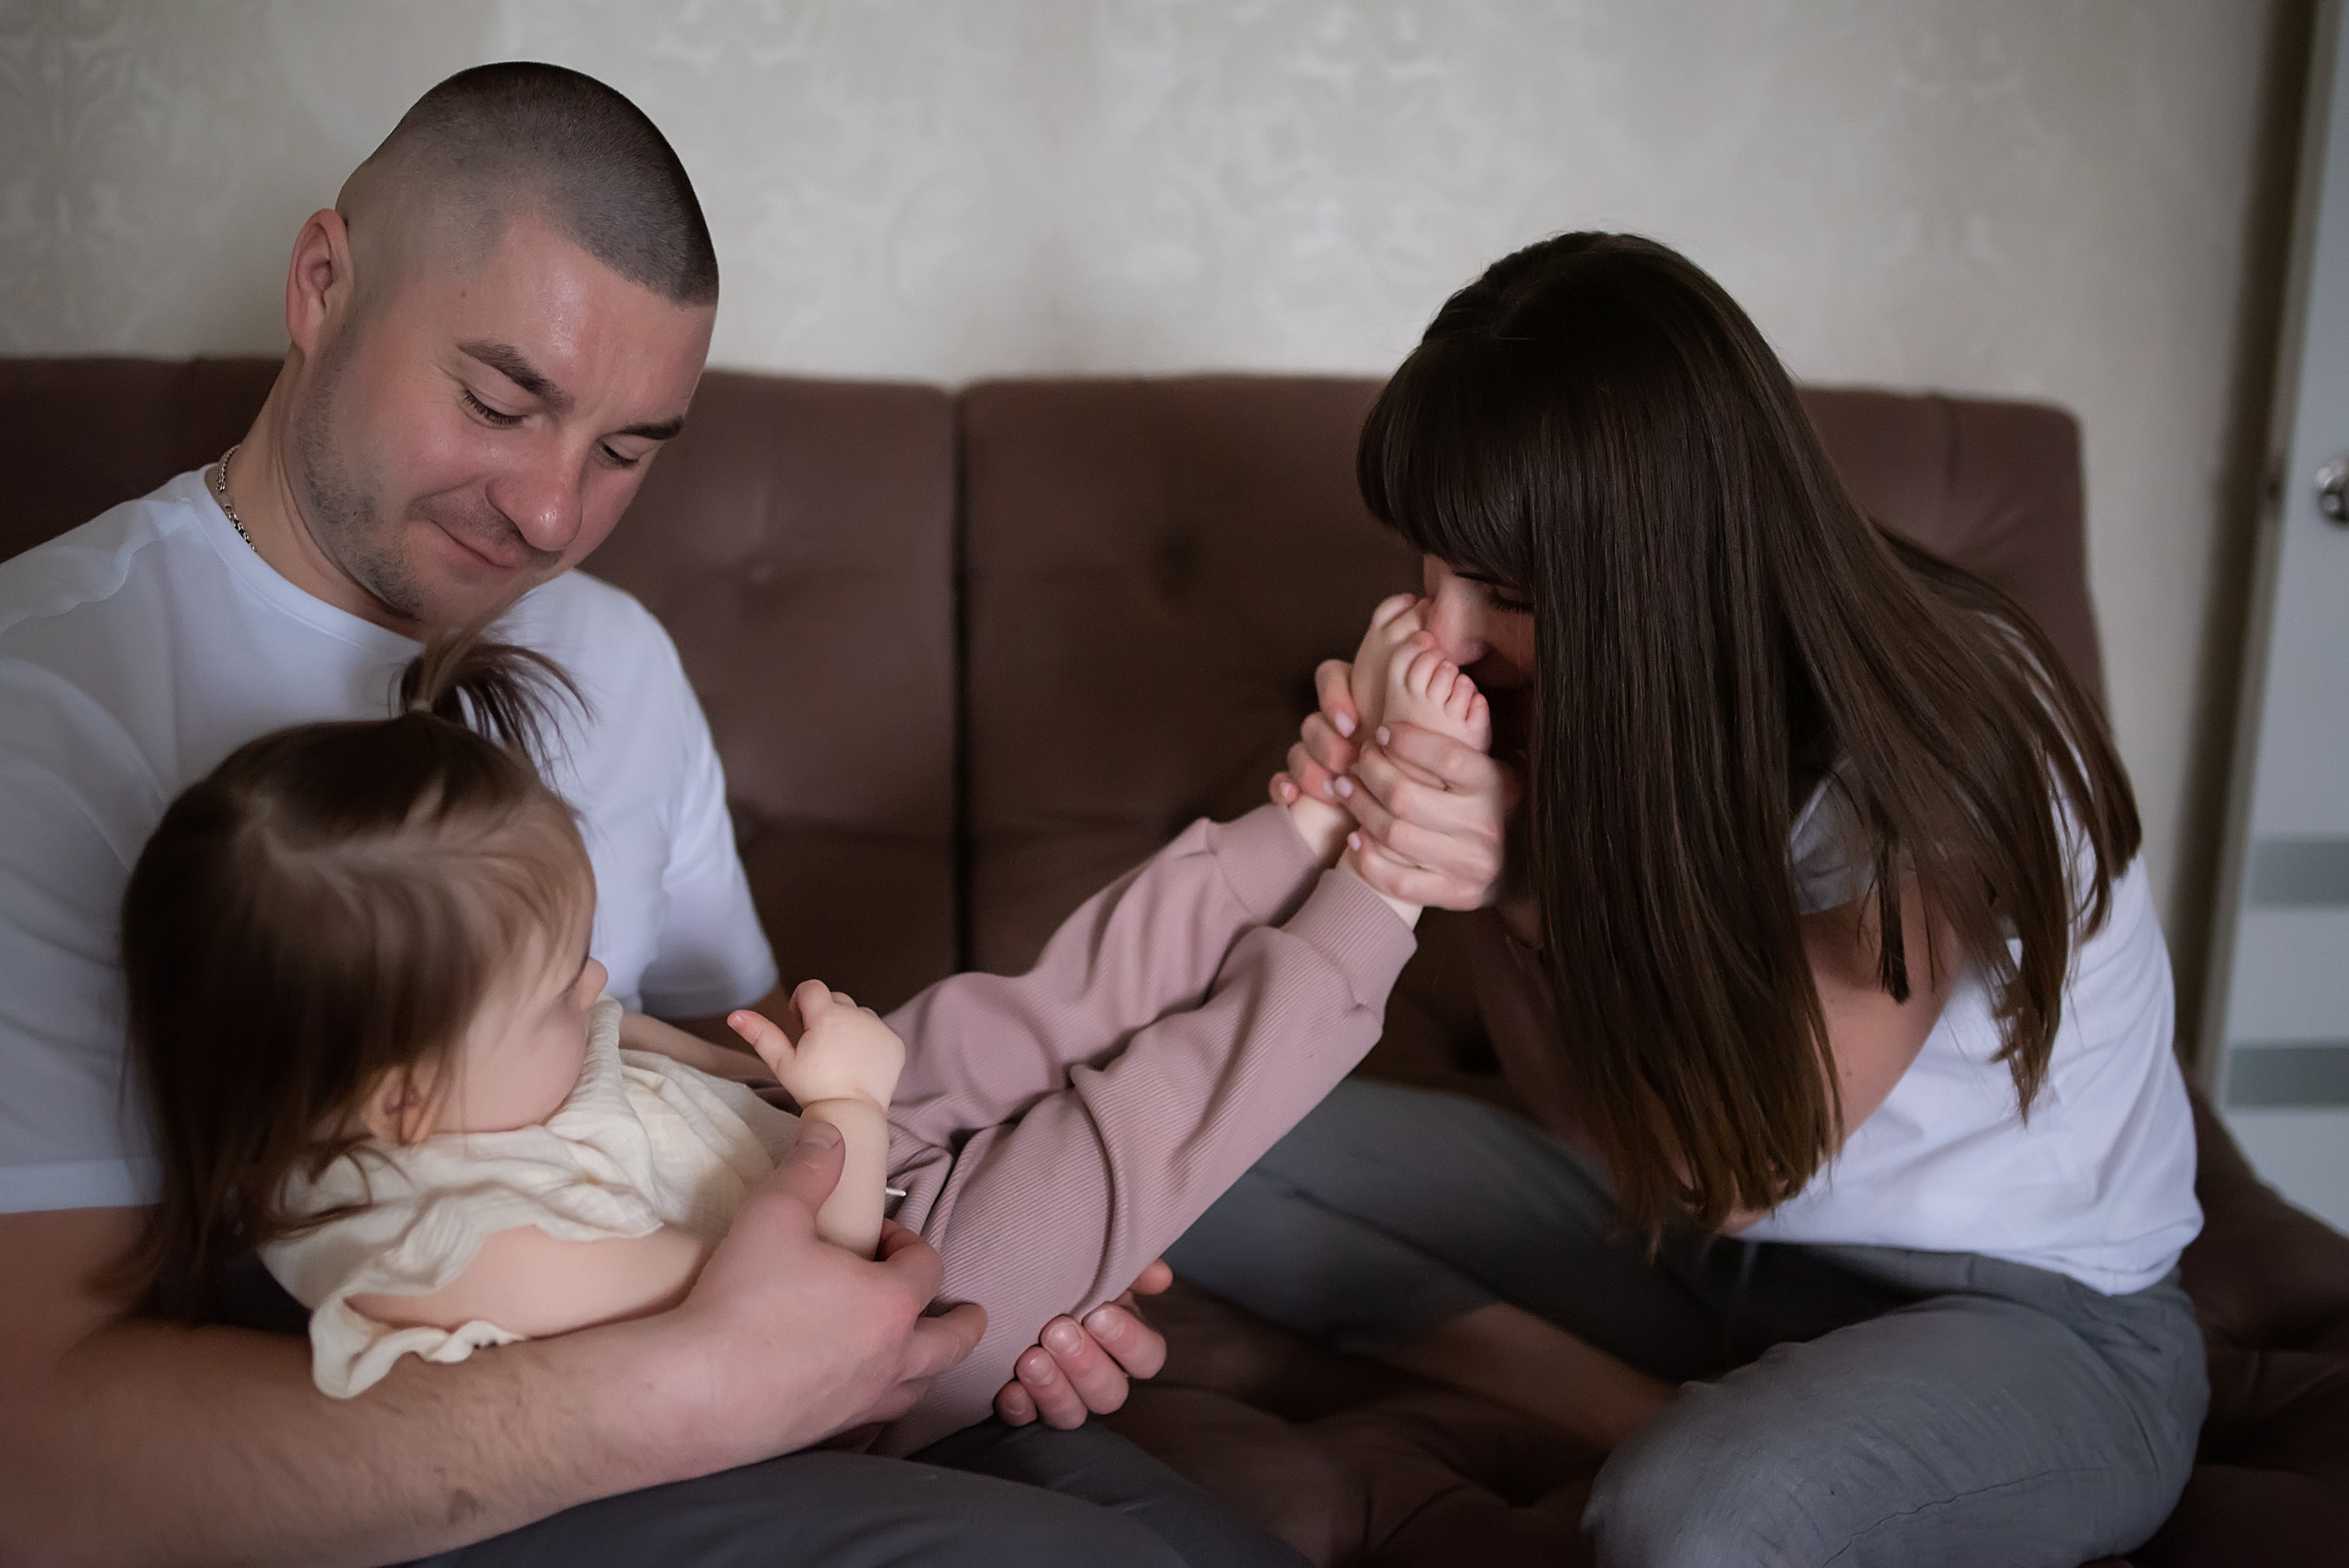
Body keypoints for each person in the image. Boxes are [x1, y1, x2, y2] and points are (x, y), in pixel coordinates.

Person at [0, 61, 1500, 1567]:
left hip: (809, 1263)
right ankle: (1361, 894)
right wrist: (747, 1350)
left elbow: (741, 1058)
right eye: (500, 402)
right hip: (490, 1459)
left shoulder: (607, 652)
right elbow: (37, 1456)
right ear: (323, 284)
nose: (552, 515)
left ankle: (1306, 840)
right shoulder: (47, 701)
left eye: (626, 451)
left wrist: (1009, 1237)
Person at [1174, 231, 2207, 1567]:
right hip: (1708, 1254)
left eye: (1504, 589)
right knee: (1191, 1137)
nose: (1446, 630)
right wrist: (1428, 834)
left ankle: (1715, 1447)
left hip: (2035, 1316)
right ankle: (1633, 1409)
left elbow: (1737, 1170)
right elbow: (1587, 1115)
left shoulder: (1948, 736)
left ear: (1654, 572)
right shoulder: (1602, 693)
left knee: (1696, 1519)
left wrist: (1516, 868)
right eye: (1430, 562)